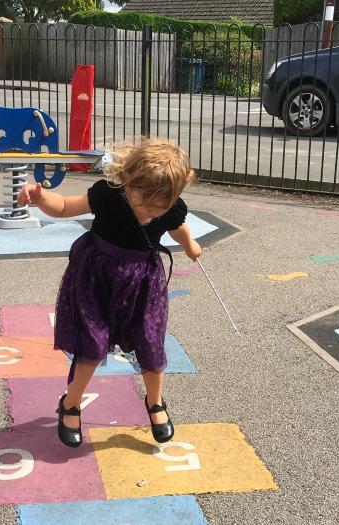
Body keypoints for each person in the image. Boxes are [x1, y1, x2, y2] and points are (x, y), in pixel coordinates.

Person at [18, 138, 202, 447]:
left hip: (142, 283)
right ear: (130, 182)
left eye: (162, 207)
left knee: (150, 342)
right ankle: (71, 404)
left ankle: (155, 403)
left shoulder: (168, 207)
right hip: (96, 278)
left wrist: (189, 244)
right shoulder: (108, 195)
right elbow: (64, 207)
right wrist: (41, 198)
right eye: (146, 204)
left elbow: (177, 226)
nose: (153, 212)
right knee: (92, 345)